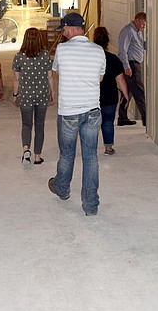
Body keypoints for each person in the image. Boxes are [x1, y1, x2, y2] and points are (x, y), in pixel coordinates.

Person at [48, 12, 106, 216]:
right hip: (92, 111)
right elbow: (99, 78)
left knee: (67, 154)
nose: (63, 33)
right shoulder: (99, 51)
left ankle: (62, 188)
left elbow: (56, 72)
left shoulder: (62, 50)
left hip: (69, 112)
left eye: (64, 29)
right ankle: (90, 205)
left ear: (72, 28)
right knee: (90, 156)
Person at [12, 28, 54, 166]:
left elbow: (16, 79)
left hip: (26, 96)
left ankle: (26, 149)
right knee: (40, 125)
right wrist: (52, 92)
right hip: (42, 95)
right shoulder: (46, 55)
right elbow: (49, 76)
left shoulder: (19, 56)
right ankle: (37, 156)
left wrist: (15, 94)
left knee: (26, 124)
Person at [93, 27, 130, 156]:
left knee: (92, 124)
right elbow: (120, 80)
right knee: (108, 122)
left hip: (92, 97)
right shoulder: (113, 59)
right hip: (110, 97)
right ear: (107, 41)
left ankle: (91, 148)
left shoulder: (90, 58)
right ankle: (108, 148)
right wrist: (126, 96)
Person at [117, 11, 147, 126]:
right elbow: (122, 50)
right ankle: (146, 119)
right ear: (137, 20)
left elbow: (139, 45)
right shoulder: (128, 31)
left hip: (135, 64)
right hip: (131, 65)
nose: (144, 27)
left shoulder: (137, 32)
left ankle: (122, 118)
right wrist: (126, 67)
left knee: (127, 92)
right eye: (143, 24)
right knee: (139, 92)